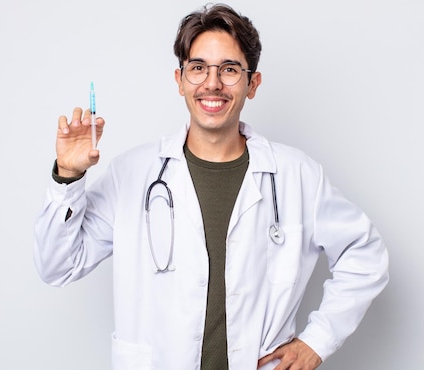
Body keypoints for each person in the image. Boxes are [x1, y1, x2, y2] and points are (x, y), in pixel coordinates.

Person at [34, 3, 389, 370]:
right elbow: (58, 266)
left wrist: (317, 341)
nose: (212, 83)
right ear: (180, 80)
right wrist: (67, 176)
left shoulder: (297, 175)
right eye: (198, 68)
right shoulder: (132, 174)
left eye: (230, 69)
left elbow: (365, 256)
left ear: (253, 83)